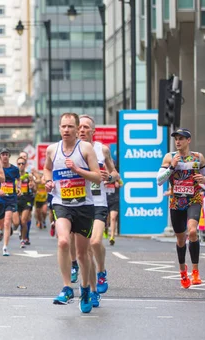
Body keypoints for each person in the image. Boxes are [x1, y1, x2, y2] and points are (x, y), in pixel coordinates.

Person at [43, 112, 101, 313]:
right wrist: (48, 182)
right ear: (59, 128)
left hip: (84, 206)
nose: (66, 130)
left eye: (70, 126)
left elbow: (97, 177)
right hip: (61, 204)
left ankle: (85, 289)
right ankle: (67, 287)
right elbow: (47, 170)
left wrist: (77, 169)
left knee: (83, 254)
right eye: (63, 126)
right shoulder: (52, 149)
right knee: (63, 241)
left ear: (77, 129)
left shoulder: (85, 148)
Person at [75, 115, 120, 306]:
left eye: (86, 127)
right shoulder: (70, 151)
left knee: (95, 242)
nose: (82, 130)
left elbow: (116, 174)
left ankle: (102, 271)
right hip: (78, 204)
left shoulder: (102, 150)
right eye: (80, 127)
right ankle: (93, 291)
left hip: (99, 202)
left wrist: (108, 177)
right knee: (84, 253)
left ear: (93, 131)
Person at [157, 128, 205, 289]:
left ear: (189, 140)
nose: (178, 141)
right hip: (176, 202)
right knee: (180, 239)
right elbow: (159, 180)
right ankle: (182, 272)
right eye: (176, 139)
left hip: (193, 198)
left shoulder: (198, 157)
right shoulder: (169, 157)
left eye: (181, 138)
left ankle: (195, 271)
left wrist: (204, 178)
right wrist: (171, 167)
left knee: (192, 231)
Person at [0, 148, 19, 256]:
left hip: (11, 198)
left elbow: (18, 180)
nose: (5, 156)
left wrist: (18, 188)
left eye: (6, 154)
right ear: (0, 156)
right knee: (0, 224)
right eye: (3, 154)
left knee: (7, 221)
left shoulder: (14, 169)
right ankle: (0, 231)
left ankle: (5, 247)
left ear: (9, 156)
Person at [16, 157, 34, 247]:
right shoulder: (14, 176)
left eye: (23, 163)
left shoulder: (29, 175)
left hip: (26, 200)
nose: (21, 165)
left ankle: (23, 239)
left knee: (23, 221)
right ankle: (17, 231)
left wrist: (32, 186)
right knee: (16, 222)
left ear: (25, 165)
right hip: (16, 200)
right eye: (19, 164)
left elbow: (34, 189)